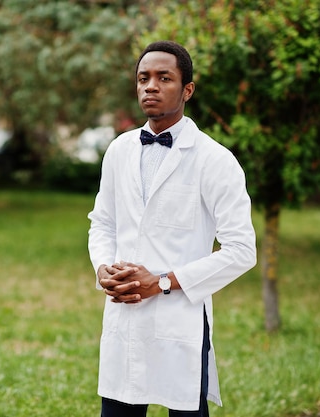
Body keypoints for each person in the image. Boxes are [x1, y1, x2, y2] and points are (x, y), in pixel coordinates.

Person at [87, 40, 257, 417]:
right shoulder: (119, 150)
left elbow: (242, 250)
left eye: (165, 78)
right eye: (143, 78)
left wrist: (162, 282)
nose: (151, 86)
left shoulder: (215, 161)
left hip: (180, 318)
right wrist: (103, 268)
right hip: (124, 314)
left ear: (187, 89)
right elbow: (103, 222)